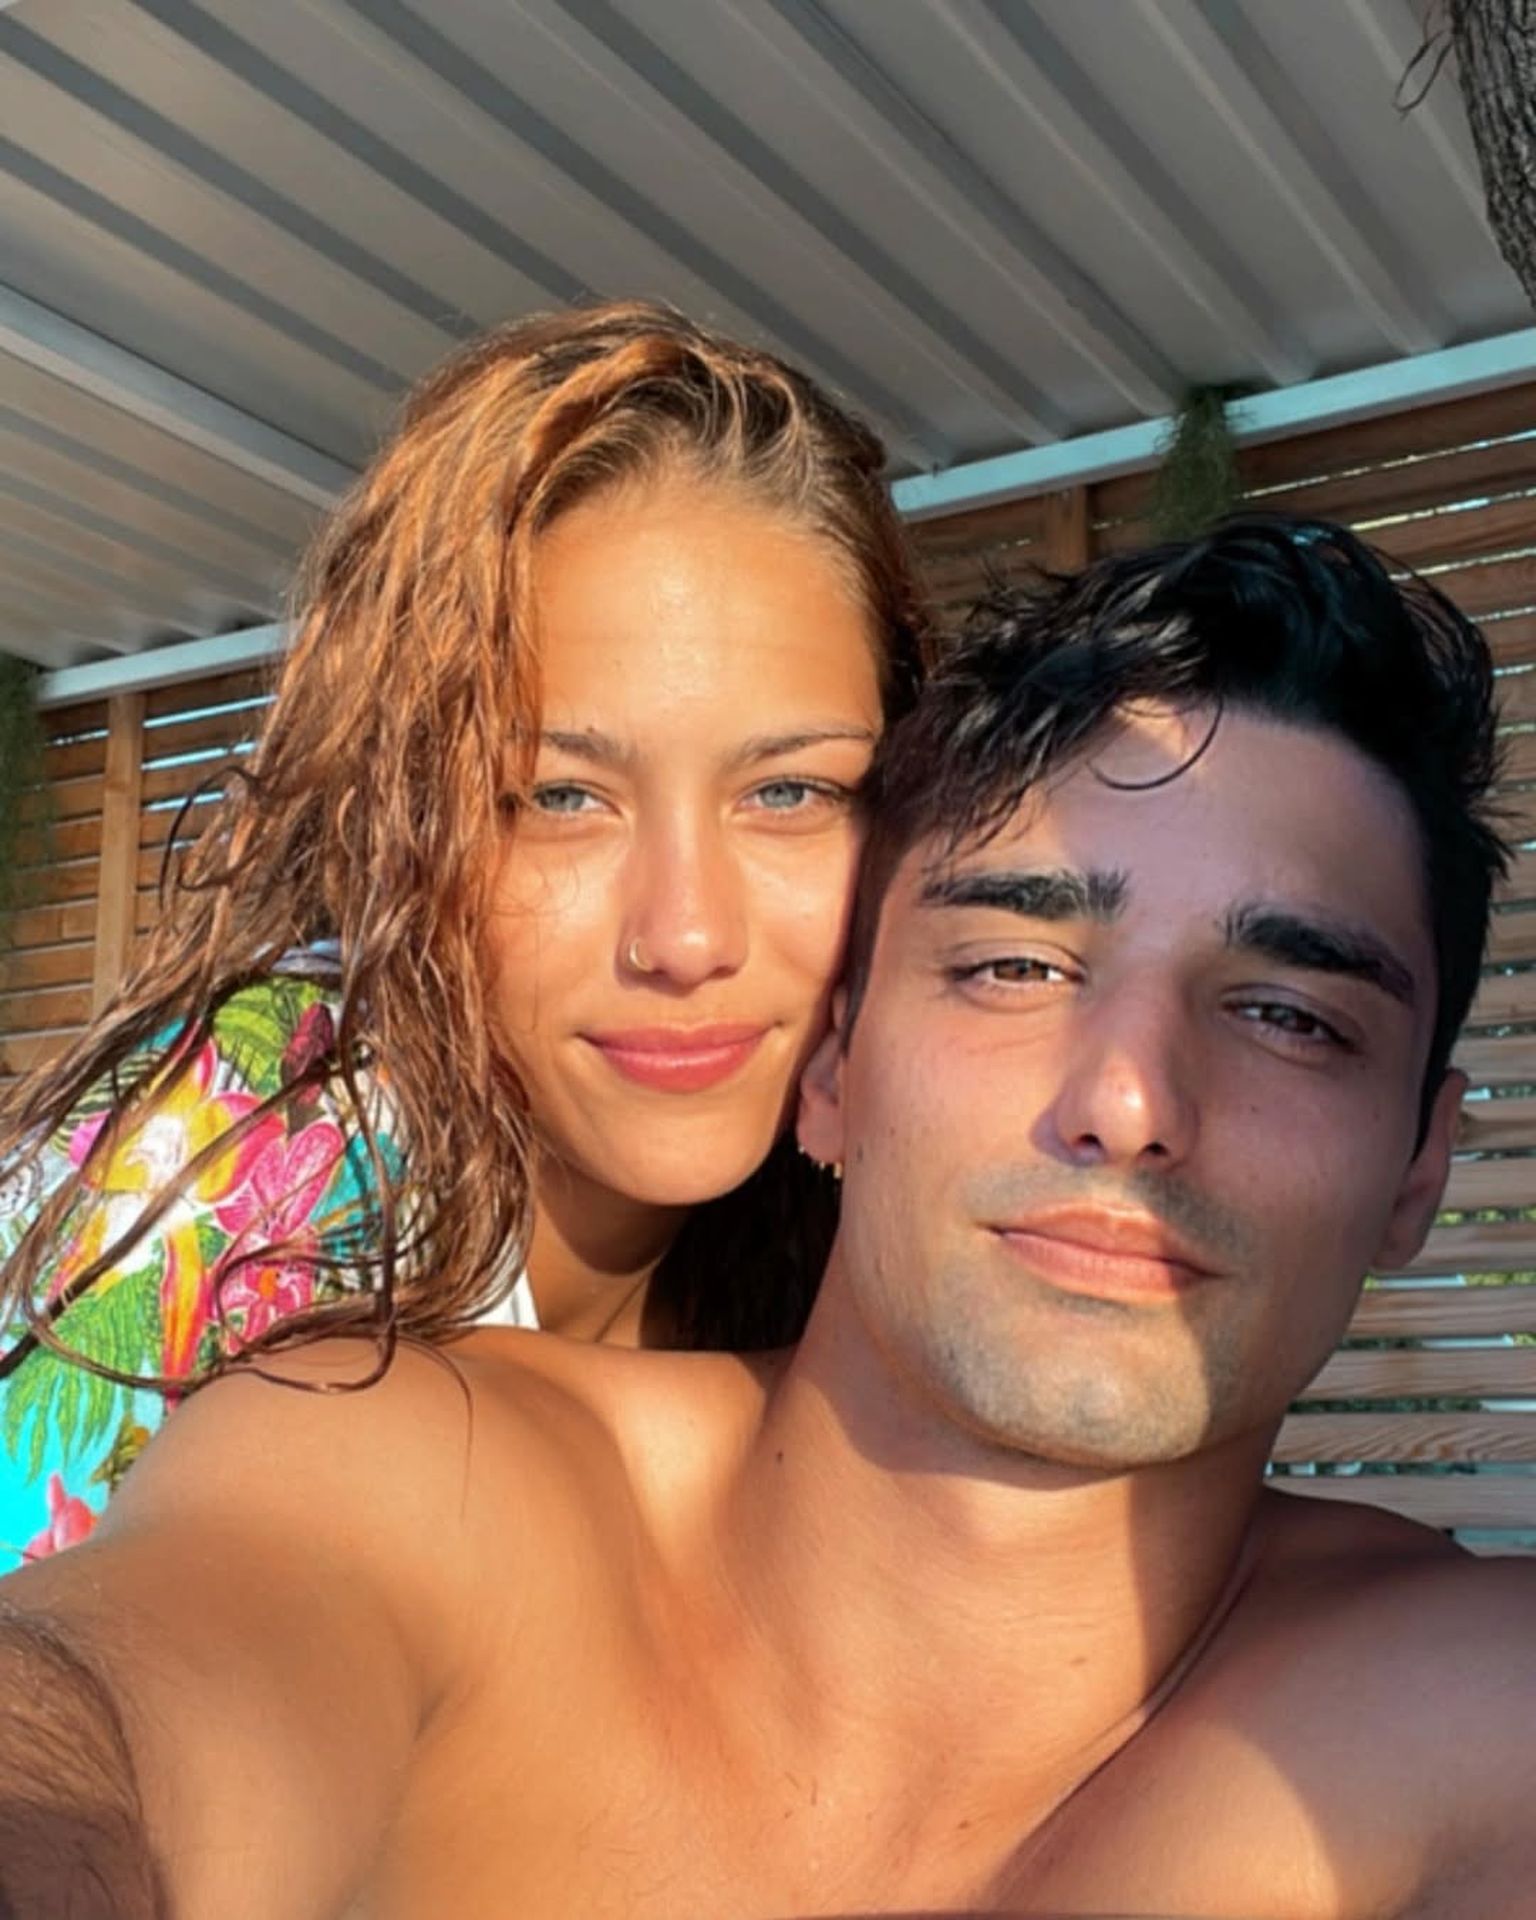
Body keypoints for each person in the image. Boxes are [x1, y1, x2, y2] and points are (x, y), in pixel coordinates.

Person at [5, 512, 1534, 1920]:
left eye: (1289, 1016)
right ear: (832, 1074)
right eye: (1013, 967)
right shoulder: (413, 1479)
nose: (1129, 1103)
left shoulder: (1464, 1708)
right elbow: (113, 1714)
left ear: (1417, 1168)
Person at [0, 299, 931, 1570]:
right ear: (399, 820)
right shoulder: (250, 1161)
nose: (686, 937)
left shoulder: (871, 1187)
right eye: (557, 798)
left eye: (790, 792)